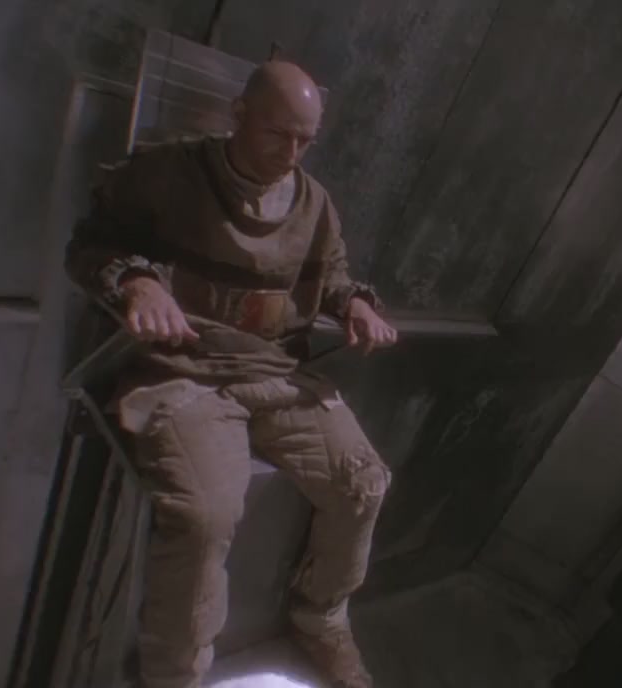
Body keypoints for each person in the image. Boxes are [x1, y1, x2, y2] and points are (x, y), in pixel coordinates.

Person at [65, 60, 394, 688]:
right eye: (277, 134)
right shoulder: (167, 173)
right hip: (184, 371)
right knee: (205, 515)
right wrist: (136, 282)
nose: (290, 154)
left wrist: (354, 303)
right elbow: (88, 246)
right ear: (238, 115)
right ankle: (173, 675)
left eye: (305, 141)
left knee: (364, 483)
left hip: (274, 370)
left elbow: (332, 273)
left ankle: (320, 616)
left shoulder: (313, 202)